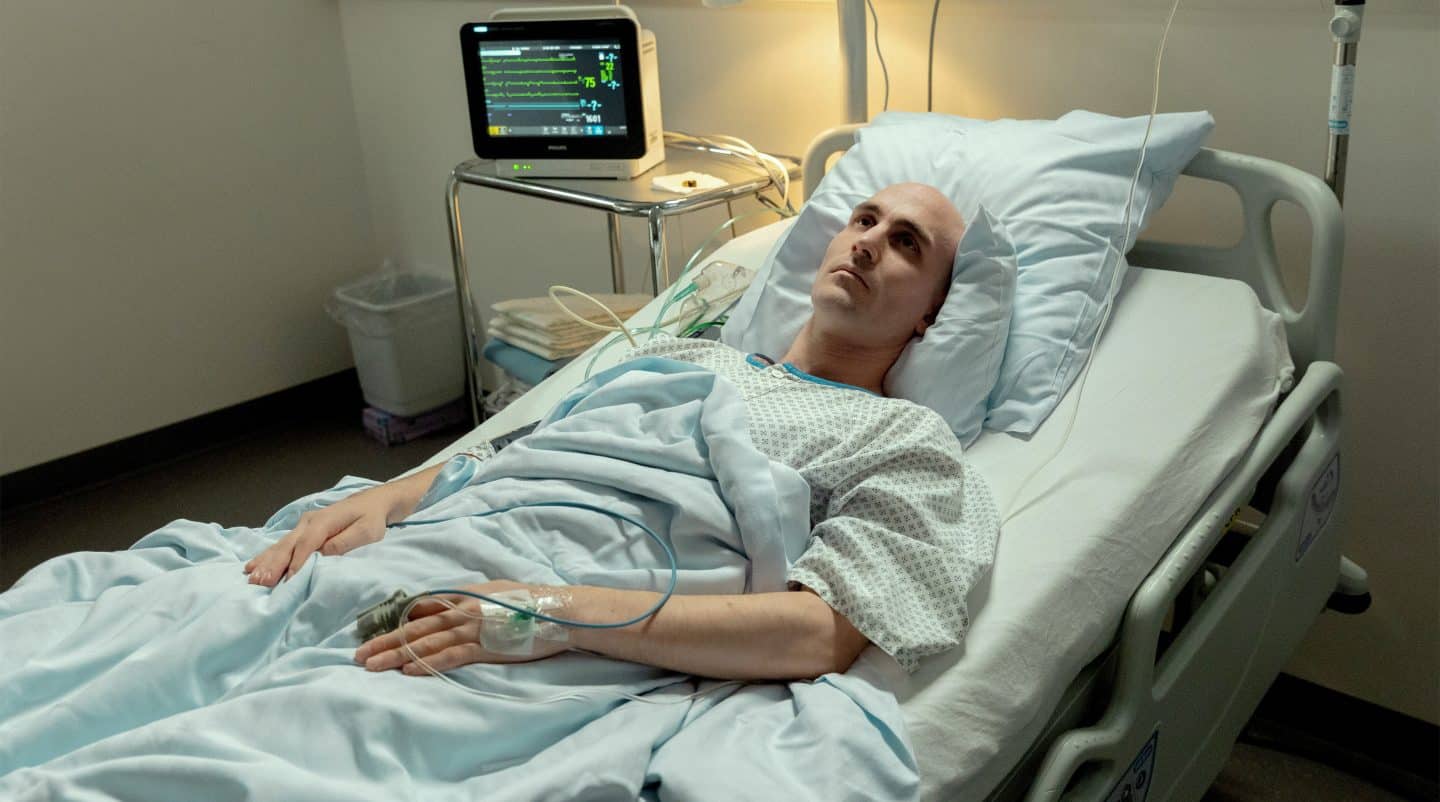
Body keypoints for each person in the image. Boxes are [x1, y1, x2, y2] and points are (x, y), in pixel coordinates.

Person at [245, 182, 998, 682]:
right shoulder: (680, 356)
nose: (868, 242)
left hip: (549, 601)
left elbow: (821, 632)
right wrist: (389, 496)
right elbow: (513, 452)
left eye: (907, 243)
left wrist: (549, 612)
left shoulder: (902, 438)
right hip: (454, 534)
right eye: (864, 220)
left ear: (931, 315)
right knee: (246, 611)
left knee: (321, 694)